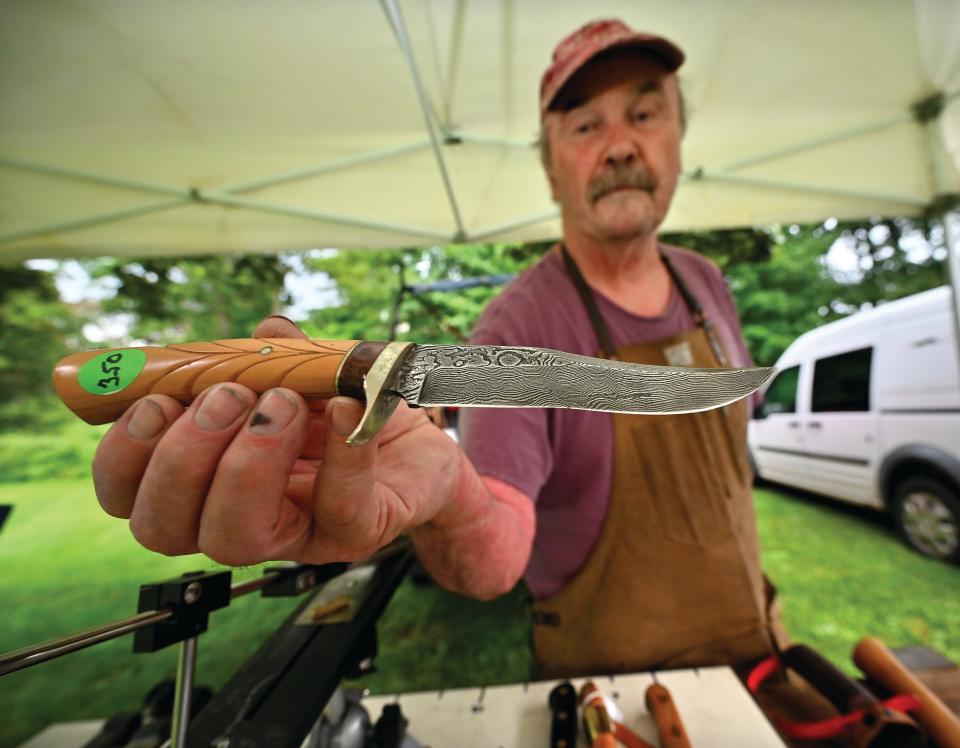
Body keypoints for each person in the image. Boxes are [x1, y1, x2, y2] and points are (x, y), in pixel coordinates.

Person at [91, 19, 783, 680]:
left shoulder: (705, 281)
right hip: (612, 681)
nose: (622, 145)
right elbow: (494, 554)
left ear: (679, 136)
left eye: (644, 113)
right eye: (584, 124)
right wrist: (451, 496)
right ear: (549, 168)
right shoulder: (518, 326)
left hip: (760, 641)